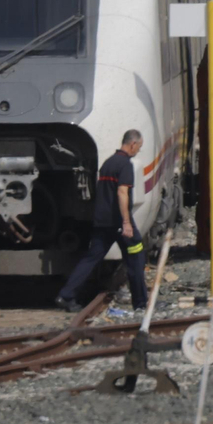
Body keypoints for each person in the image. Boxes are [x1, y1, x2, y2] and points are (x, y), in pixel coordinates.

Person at [56, 129, 149, 314]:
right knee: (136, 257)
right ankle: (140, 304)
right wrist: (126, 223)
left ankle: (65, 295)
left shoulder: (108, 163)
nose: (138, 150)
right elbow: (122, 193)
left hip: (103, 222)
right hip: (119, 224)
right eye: (139, 147)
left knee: (91, 259)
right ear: (133, 144)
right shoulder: (125, 165)